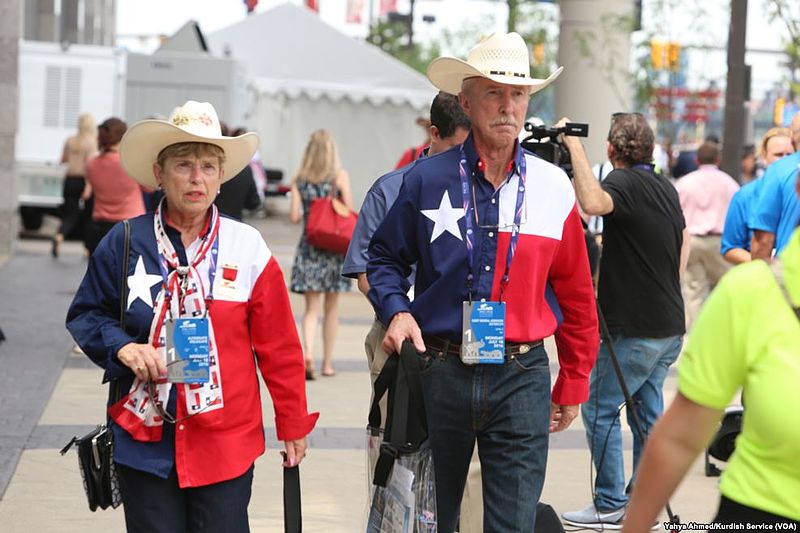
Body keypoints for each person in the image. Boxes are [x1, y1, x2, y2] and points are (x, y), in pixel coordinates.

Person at [368, 32, 599, 532]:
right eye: (494, 92)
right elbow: (383, 256)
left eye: (517, 94)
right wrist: (397, 310)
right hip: (439, 368)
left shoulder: (552, 187)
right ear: (466, 102)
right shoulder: (426, 179)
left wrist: (575, 378)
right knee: (431, 520)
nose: (507, 106)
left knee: (512, 524)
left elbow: (578, 294)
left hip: (522, 376)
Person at [66, 100, 317, 533]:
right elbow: (87, 314)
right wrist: (123, 347)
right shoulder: (124, 242)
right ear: (159, 174)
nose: (196, 178)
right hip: (144, 443)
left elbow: (279, 346)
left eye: (207, 166)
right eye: (183, 165)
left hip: (226, 442)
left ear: (222, 177)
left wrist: (292, 423)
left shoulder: (248, 248)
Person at [622, 180, 800, 532]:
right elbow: (679, 436)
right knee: (695, 300)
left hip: (702, 249)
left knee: (694, 296)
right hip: (765, 512)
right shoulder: (753, 293)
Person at [559, 112, 688, 528]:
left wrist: (572, 144)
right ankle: (641, 501)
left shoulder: (624, 183)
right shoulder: (664, 188)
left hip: (637, 329)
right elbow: (682, 240)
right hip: (668, 325)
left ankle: (610, 502)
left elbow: (593, 203)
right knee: (646, 415)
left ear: (611, 150)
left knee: (598, 409)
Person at [289, 129, 353, 379]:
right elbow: (347, 211)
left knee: (311, 309)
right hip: (334, 250)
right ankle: (327, 363)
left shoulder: (299, 180)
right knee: (332, 308)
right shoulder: (339, 177)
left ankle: (308, 353)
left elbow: (295, 217)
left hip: (309, 249)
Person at [674, 142, 739, 327]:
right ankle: (721, 328)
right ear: (718, 159)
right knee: (725, 287)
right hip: (720, 242)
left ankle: (695, 334)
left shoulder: (685, 182)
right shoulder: (729, 182)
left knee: (694, 291)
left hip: (692, 241)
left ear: (697, 159)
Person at [721, 127, 794, 264]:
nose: (784, 161)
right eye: (778, 155)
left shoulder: (796, 193)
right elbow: (730, 248)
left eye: (790, 155)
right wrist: (762, 263)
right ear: (764, 157)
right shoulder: (745, 196)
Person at [82, 118, 146, 254]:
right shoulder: (129, 163)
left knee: (100, 273)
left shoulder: (91, 163)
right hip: (130, 227)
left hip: (99, 227)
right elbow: (150, 187)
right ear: (123, 137)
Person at [750, 113, 800, 259]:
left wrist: (759, 276)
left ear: (792, 139)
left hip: (791, 272)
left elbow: (764, 239)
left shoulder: (779, 170)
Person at [53, 112, 98, 257]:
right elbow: (91, 166)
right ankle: (87, 248)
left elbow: (62, 160)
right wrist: (89, 186)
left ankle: (59, 236)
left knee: (69, 214)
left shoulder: (70, 140)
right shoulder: (92, 142)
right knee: (88, 215)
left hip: (70, 180)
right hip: (85, 181)